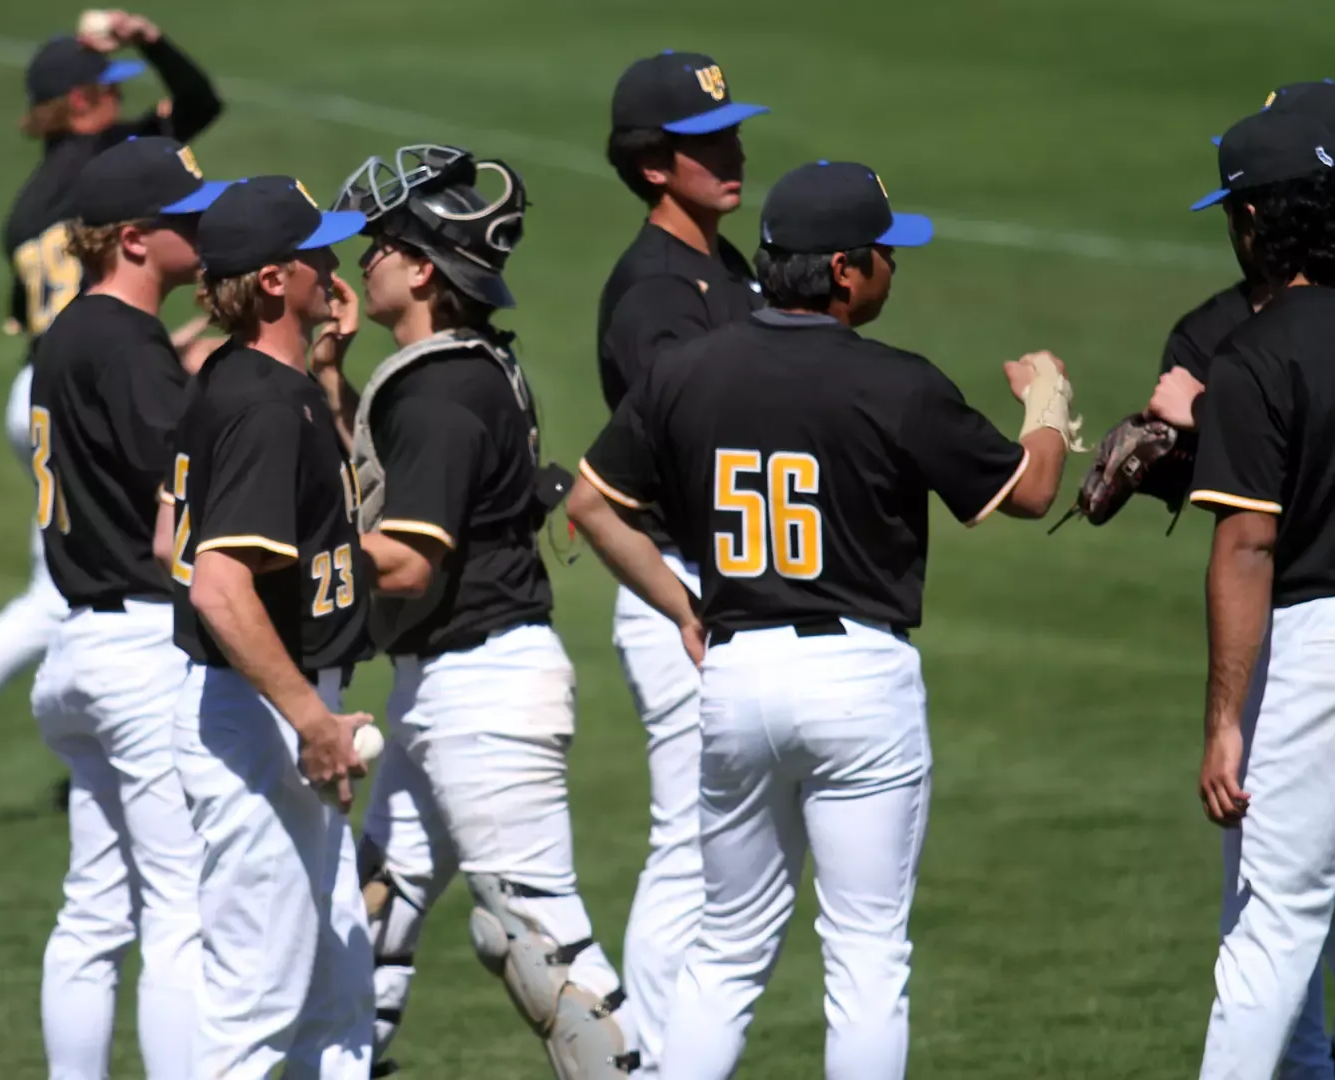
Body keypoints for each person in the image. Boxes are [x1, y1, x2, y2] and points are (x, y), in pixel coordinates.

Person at [568, 162, 1074, 1080]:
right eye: (885, 253)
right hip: (857, 684)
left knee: (724, 953)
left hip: (734, 675)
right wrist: (1048, 404)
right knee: (867, 956)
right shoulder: (895, 381)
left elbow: (591, 505)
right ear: (844, 270)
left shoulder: (688, 368)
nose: (893, 268)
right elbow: (1032, 490)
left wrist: (685, 608)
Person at [315, 145, 633, 1078]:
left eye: (374, 244)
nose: (357, 261)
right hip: (450, 687)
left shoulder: (441, 390)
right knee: (370, 911)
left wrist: (279, 561)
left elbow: (407, 560)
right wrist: (334, 377)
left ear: (420, 266)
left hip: (482, 693)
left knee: (547, 953)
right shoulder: (453, 367)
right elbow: (390, 491)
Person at [0, 10, 227, 822]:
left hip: (48, 378)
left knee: (64, 577)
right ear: (82, 104)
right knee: (77, 582)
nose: (119, 105)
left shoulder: (27, 208)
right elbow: (202, 101)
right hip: (104, 378)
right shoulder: (119, 170)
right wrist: (147, 40)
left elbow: (21, 316)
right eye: (106, 92)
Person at [1139, 84, 1335, 1080]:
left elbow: (1246, 548)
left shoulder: (1257, 355)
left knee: (1274, 926)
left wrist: (1226, 718)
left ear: (1259, 219)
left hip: (1313, 654)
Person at [26, 135, 228, 1080]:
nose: (206, 229)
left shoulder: (68, 331)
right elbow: (180, 498)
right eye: (188, 219)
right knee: (182, 908)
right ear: (137, 241)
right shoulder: (130, 343)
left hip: (77, 646)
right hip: (146, 651)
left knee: (94, 912)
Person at [167, 176, 374, 1078]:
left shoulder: (249, 378)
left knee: (334, 1004)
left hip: (263, 707)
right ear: (278, 281)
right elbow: (216, 585)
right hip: (263, 717)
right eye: (319, 253)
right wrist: (311, 720)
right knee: (255, 1021)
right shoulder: (257, 402)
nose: (337, 265)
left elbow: (169, 539)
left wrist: (328, 367)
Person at [596, 51, 767, 1075]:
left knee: (718, 854)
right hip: (678, 587)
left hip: (721, 581)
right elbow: (690, 435)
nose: (733, 153)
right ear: (655, 166)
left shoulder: (723, 264)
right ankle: (652, 1059)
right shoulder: (656, 291)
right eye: (706, 143)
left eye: (732, 133)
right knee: (688, 846)